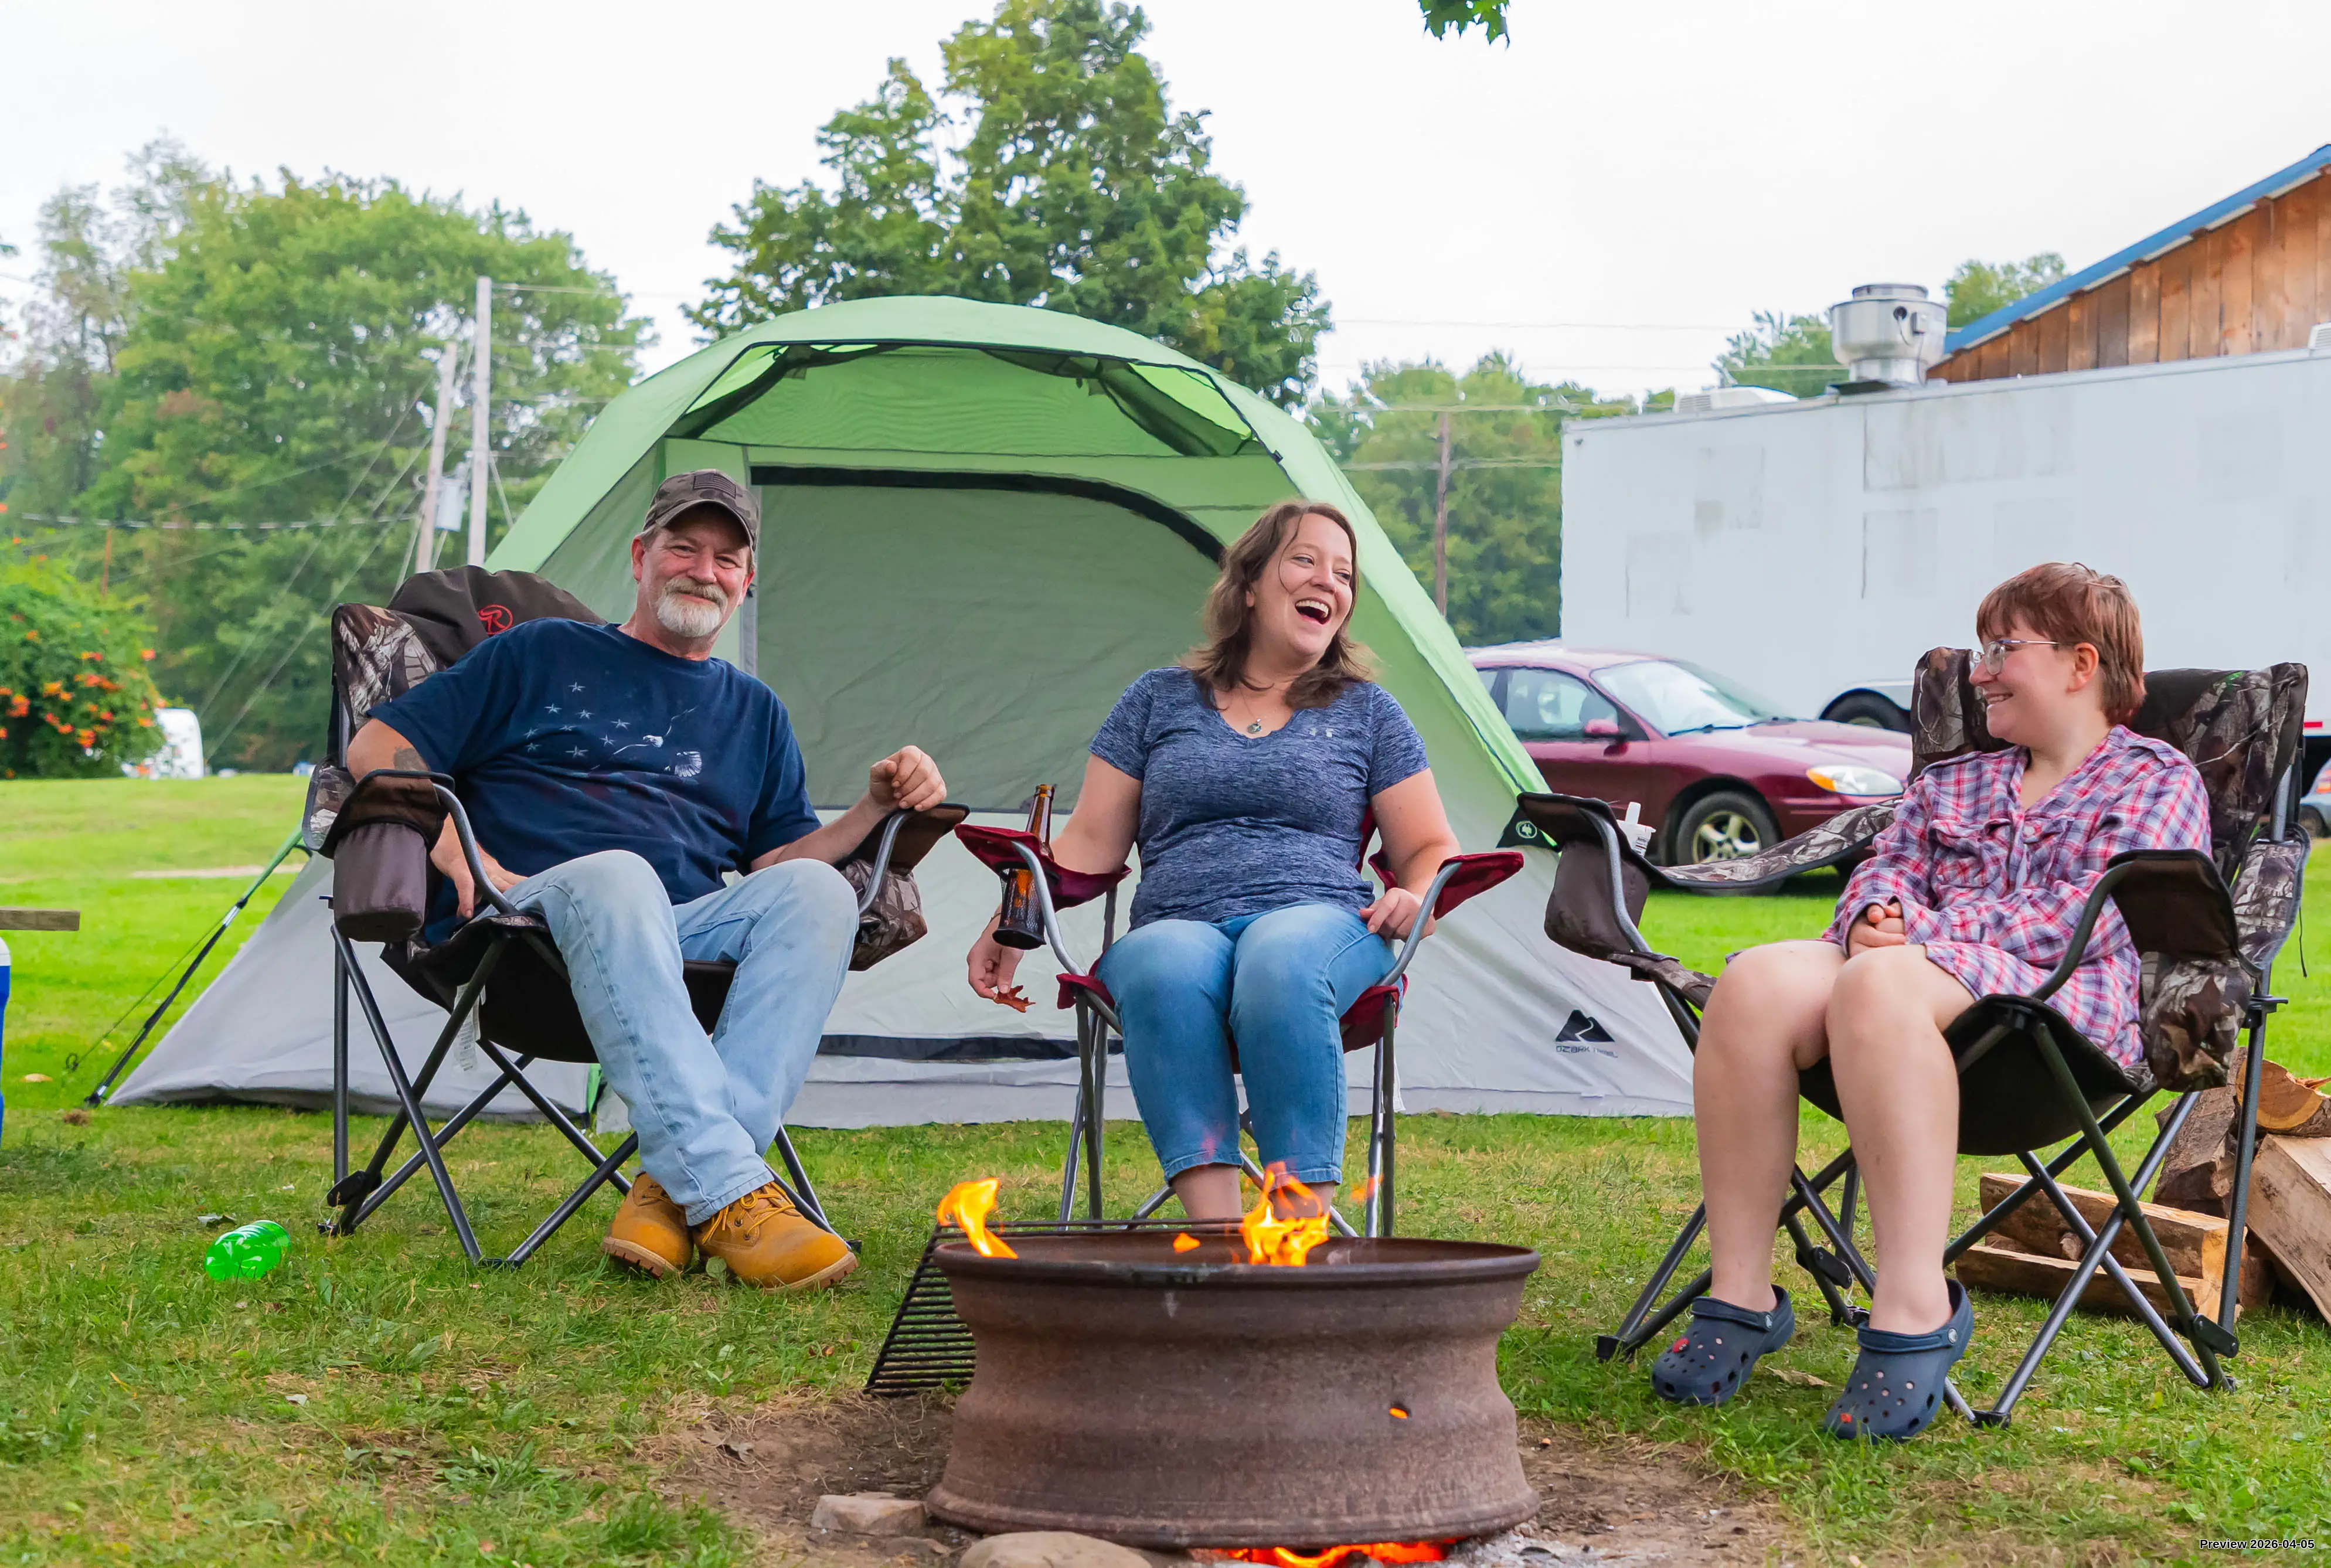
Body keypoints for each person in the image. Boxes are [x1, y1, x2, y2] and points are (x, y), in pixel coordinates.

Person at [345, 470, 947, 1291]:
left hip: (677, 932)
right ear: (639, 556)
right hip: (524, 922)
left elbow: (775, 866)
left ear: (747, 581)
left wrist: (873, 806)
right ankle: (735, 1191)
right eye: (683, 547)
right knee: (620, 876)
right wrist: (458, 848)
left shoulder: (754, 709)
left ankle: (671, 1188)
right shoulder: (539, 650)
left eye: (726, 558)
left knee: (818, 891)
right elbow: (374, 746)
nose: (704, 569)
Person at [1651, 563, 2209, 1439]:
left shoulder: (2154, 778)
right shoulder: (1960, 780)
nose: (1980, 670)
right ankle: (1742, 1290)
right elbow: (1887, 865)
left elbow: (2093, 914)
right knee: (1755, 979)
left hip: (2054, 1030)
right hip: (1909, 998)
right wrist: (1875, 913)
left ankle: (1913, 1305)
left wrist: (1920, 941)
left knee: (1878, 978)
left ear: (2079, 662)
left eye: (2002, 648)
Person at [964, 500, 1461, 1220]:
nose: (1329, 579)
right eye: (1305, 560)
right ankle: (1222, 1240)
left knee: (1279, 955)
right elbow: (1086, 846)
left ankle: (1297, 1240)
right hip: (1177, 920)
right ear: (1251, 582)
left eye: (1344, 573)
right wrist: (1015, 921)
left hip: (1319, 921)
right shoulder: (1156, 700)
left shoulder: (1368, 712)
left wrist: (1417, 894)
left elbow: (1427, 847)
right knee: (1161, 962)